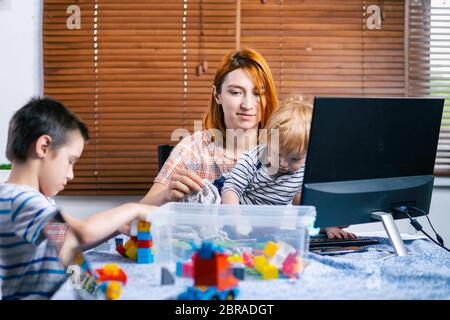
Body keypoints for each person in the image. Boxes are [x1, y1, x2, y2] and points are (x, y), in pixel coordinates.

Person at [0, 97, 155, 300]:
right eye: (70, 161)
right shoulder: (19, 200)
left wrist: (95, 291)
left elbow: (68, 252)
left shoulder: (35, 201)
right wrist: (133, 209)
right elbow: (82, 233)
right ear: (44, 147)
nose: (71, 174)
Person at [141, 48, 278, 206]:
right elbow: (140, 211)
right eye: (235, 92)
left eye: (258, 93)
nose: (247, 105)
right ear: (217, 96)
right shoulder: (193, 148)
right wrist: (166, 196)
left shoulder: (285, 151)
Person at [221, 96, 355, 239]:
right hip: (238, 214)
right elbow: (231, 190)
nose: (284, 164)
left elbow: (302, 203)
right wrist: (234, 221)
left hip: (267, 226)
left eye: (295, 159)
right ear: (268, 139)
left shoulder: (303, 171)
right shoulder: (252, 160)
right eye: (277, 154)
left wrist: (327, 224)